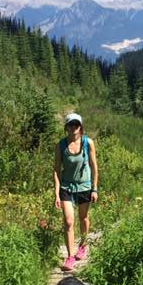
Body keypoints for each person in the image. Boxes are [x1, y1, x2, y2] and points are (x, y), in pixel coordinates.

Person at [53, 112, 99, 271]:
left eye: (76, 125)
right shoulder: (61, 145)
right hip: (67, 187)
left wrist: (95, 189)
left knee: (84, 218)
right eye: (70, 125)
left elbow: (94, 167)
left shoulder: (88, 143)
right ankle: (70, 257)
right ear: (66, 127)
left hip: (84, 186)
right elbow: (56, 170)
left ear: (81, 127)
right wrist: (57, 193)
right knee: (68, 221)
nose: (74, 128)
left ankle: (83, 245)